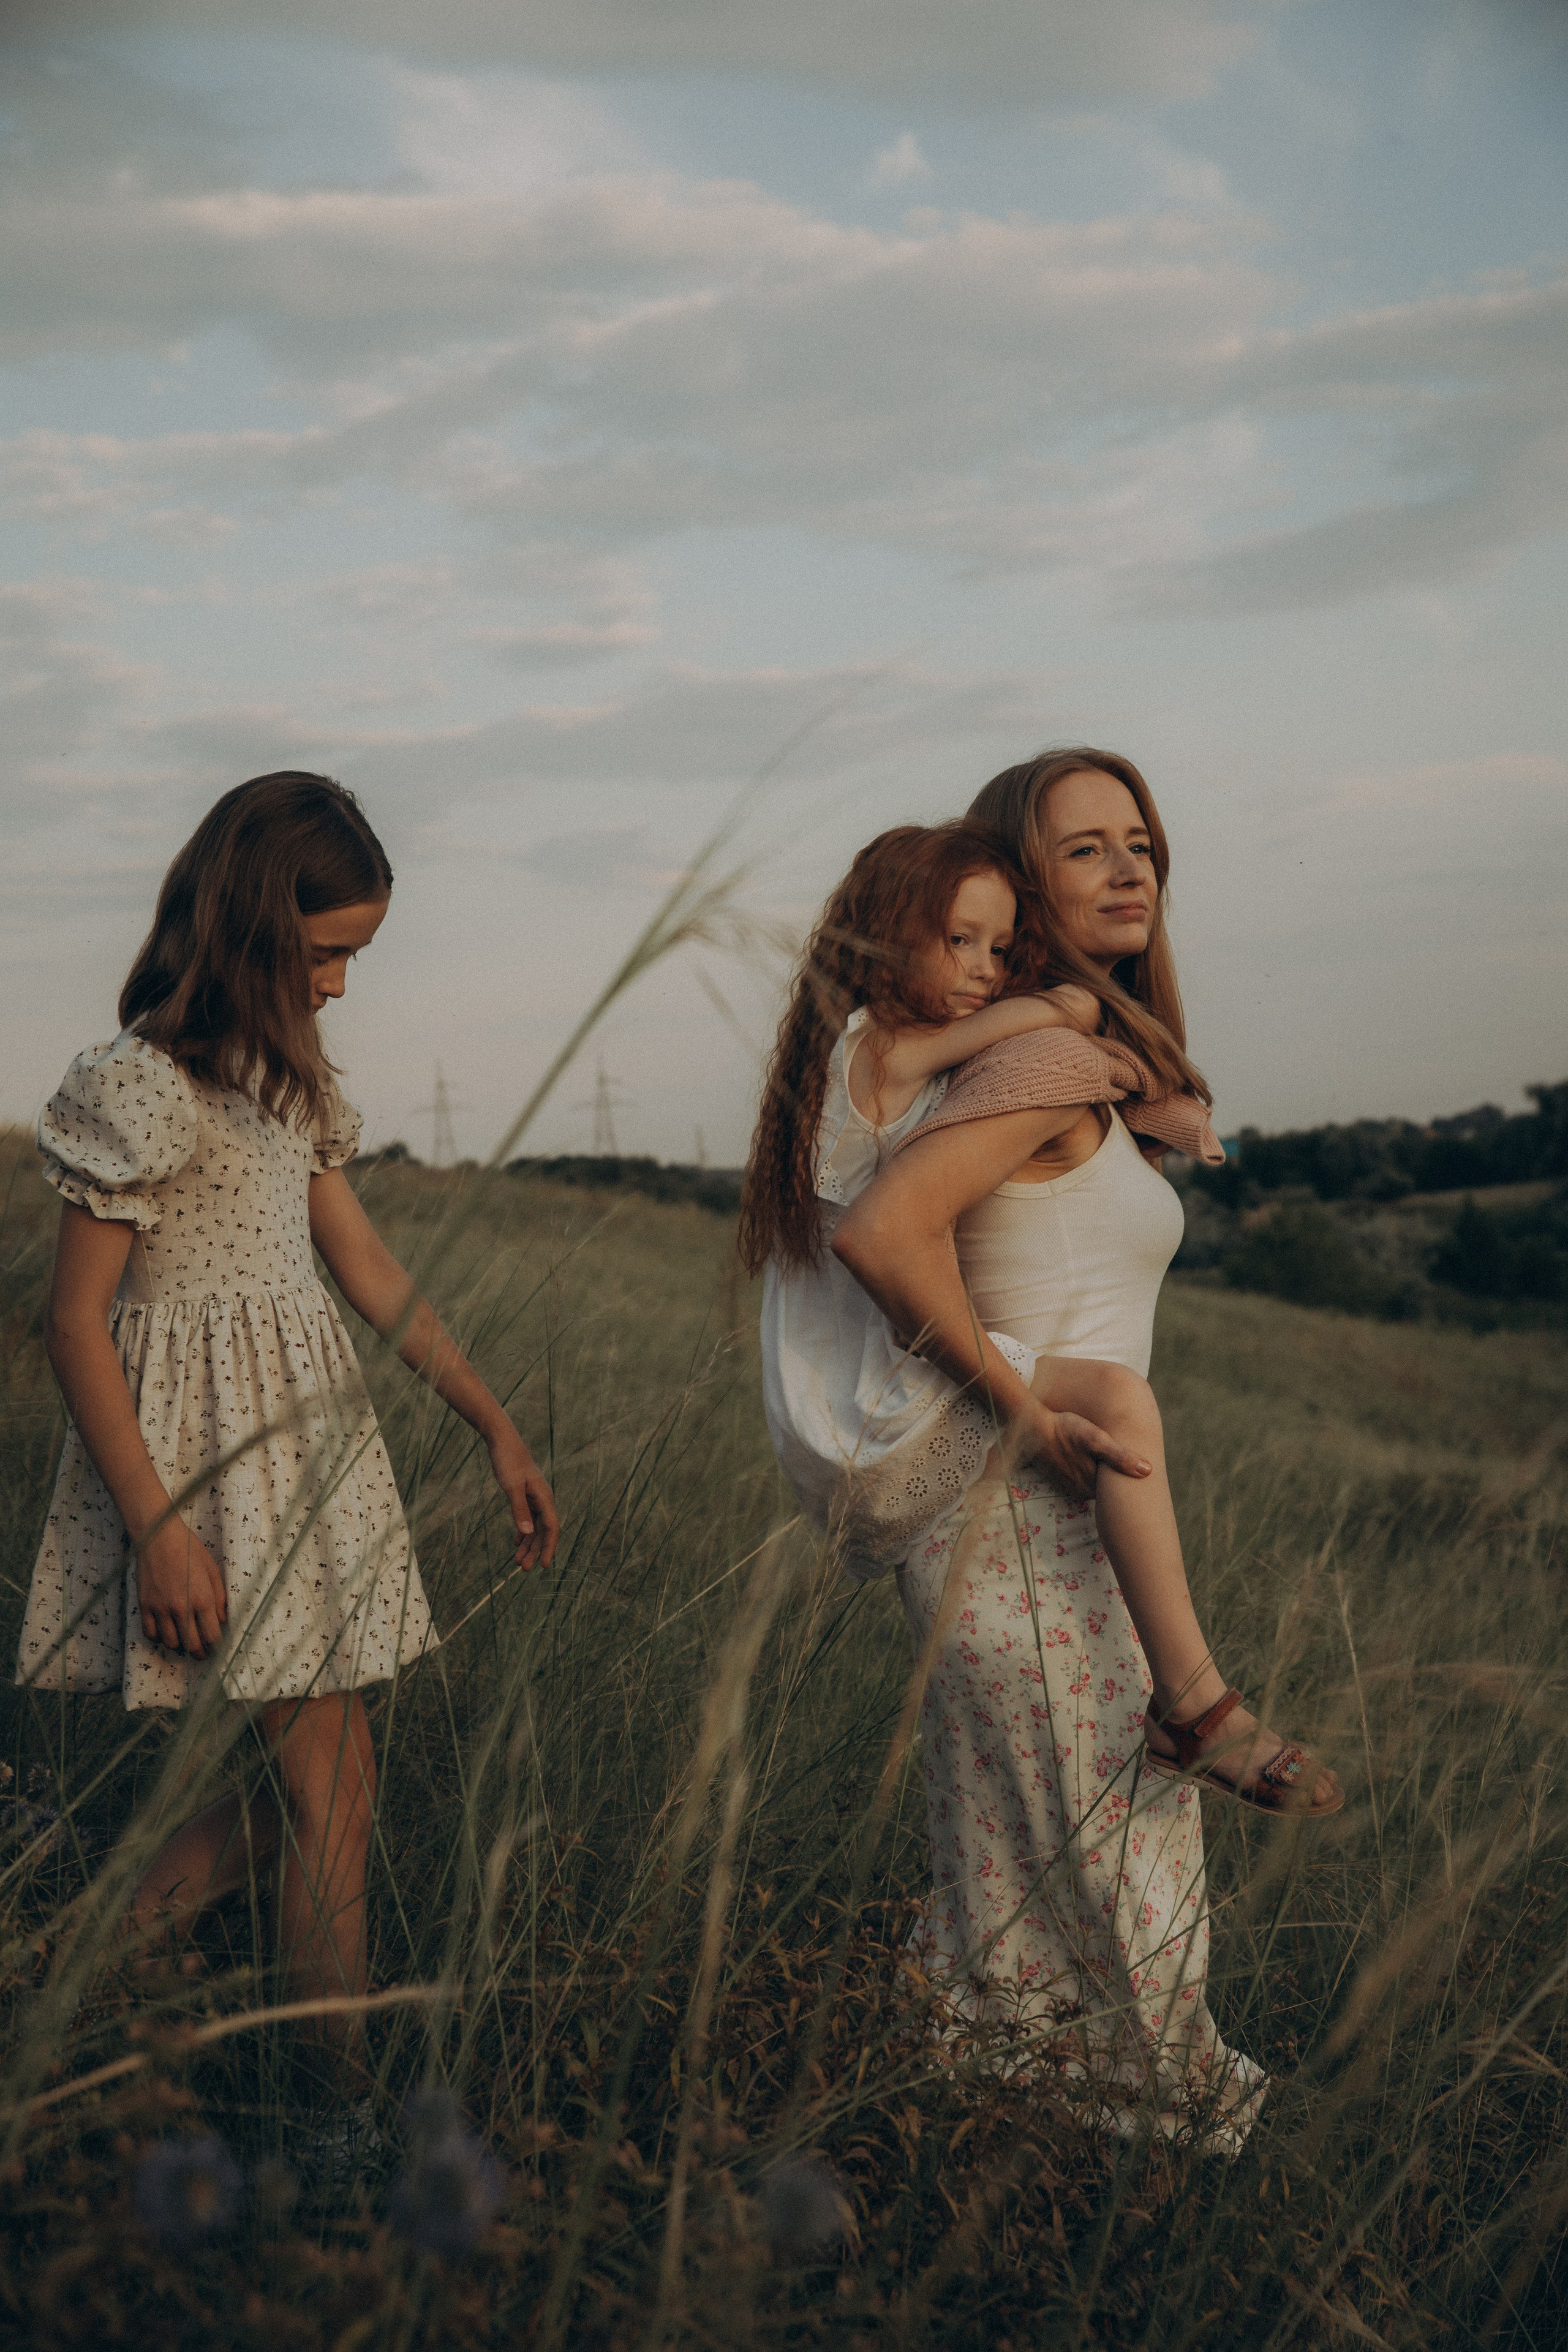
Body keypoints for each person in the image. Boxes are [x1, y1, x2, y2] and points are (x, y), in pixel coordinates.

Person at [827, 749, 1341, 2138]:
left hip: (1050, 1506)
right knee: (1110, 1872)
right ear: (1020, 884)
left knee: (1033, 1875)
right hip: (1009, 1508)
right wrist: (1021, 1406)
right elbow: (880, 1233)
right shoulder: (1041, 1060)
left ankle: (973, 2151)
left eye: (1141, 843)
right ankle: (1120, 2166)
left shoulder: (1067, 1064)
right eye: (1084, 849)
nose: (1128, 869)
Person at [19, 771, 560, 2077]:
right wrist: (160, 1533)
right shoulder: (140, 1083)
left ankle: (69, 1980)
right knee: (331, 1786)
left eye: (354, 957)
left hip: (306, 1463)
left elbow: (368, 1269)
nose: (338, 985)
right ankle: (333, 2116)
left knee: (308, 1787)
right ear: (249, 925)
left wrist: (492, 1423)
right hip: (209, 1479)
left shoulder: (284, 1083)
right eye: (325, 955)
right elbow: (72, 1324)